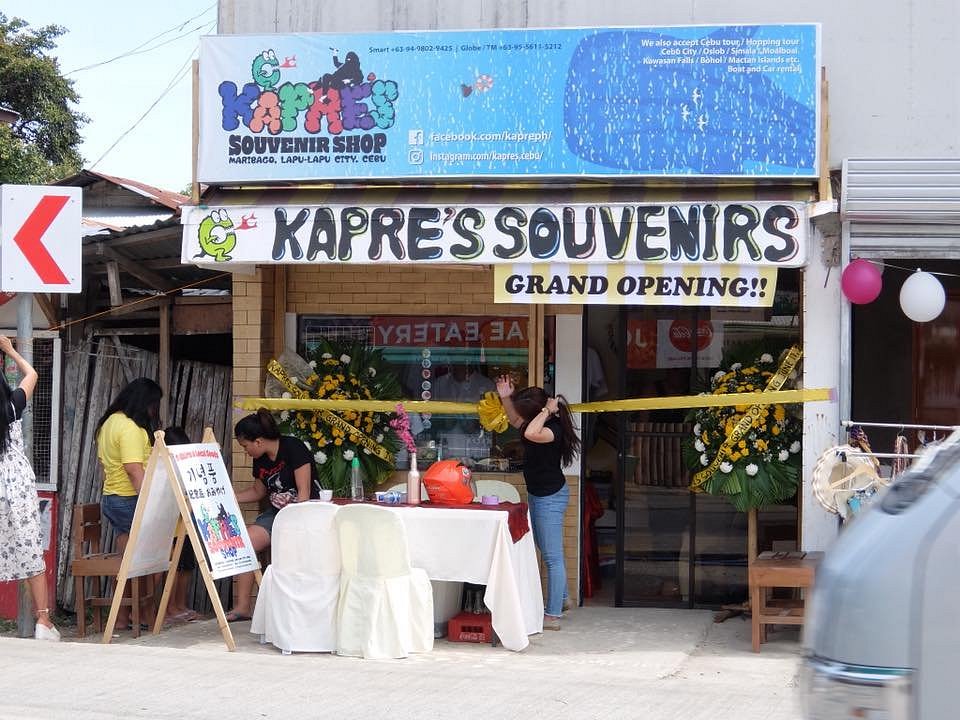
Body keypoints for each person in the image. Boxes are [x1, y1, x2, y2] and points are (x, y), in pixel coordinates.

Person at [496, 375, 581, 631]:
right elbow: (516, 420)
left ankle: (553, 614)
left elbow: (532, 431)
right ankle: (563, 599)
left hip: (550, 497)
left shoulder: (549, 430)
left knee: (553, 557)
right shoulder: (536, 422)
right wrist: (505, 396)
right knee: (547, 552)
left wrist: (547, 409)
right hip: (539, 494)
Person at [225, 409, 321, 622]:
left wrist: (290, 526)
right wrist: (229, 498)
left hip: (304, 513)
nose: (245, 451)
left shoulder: (293, 447)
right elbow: (259, 492)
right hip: (277, 513)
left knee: (288, 546)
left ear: (258, 441)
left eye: (245, 446)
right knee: (246, 541)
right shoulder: (259, 460)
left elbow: (304, 494)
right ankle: (242, 607)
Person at [0, 336, 59, 640]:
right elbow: (32, 374)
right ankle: (43, 622)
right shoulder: (11, 407)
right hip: (17, 484)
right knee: (29, 549)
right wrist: (10, 350)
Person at [95, 377, 163, 631]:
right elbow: (134, 469)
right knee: (148, 559)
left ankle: (125, 616)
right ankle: (140, 613)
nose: (154, 411)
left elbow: (105, 466)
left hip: (113, 498)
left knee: (127, 560)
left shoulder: (108, 423)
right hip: (129, 499)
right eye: (154, 404)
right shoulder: (131, 428)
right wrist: (151, 501)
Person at [161, 426, 199, 623]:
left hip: (186, 521)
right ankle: (170, 608)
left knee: (186, 565)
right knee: (174, 567)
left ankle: (180, 605)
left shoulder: (185, 463)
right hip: (172, 525)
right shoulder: (162, 466)